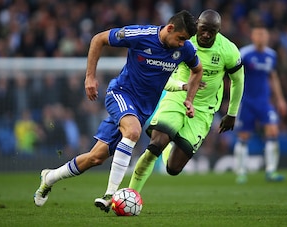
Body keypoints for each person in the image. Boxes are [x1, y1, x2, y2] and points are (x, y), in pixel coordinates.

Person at [34, 10, 203, 213]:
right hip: (121, 94)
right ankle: (110, 194)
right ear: (169, 28)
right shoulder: (140, 35)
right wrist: (90, 77)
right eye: (181, 38)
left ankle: (49, 177)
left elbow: (197, 70)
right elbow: (98, 39)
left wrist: (190, 99)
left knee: (95, 157)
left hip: (142, 109)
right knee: (133, 132)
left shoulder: (185, 49)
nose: (183, 43)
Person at [128, 9, 244, 193]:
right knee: (155, 146)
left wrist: (232, 113)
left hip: (204, 109)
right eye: (203, 29)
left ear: (219, 30)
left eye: (211, 31)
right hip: (177, 98)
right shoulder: (183, 41)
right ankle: (130, 193)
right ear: (197, 24)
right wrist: (183, 86)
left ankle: (170, 146)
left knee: (173, 169)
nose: (206, 34)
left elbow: (238, 80)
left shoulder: (228, 50)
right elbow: (162, 75)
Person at [233, 23, 287, 184]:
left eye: (264, 34)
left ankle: (271, 171)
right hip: (247, 101)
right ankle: (241, 172)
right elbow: (234, 75)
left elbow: (273, 77)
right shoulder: (244, 54)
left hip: (264, 101)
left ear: (268, 37)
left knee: (273, 131)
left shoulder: (272, 55)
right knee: (244, 136)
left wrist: (280, 99)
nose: (261, 37)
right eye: (258, 34)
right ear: (252, 36)